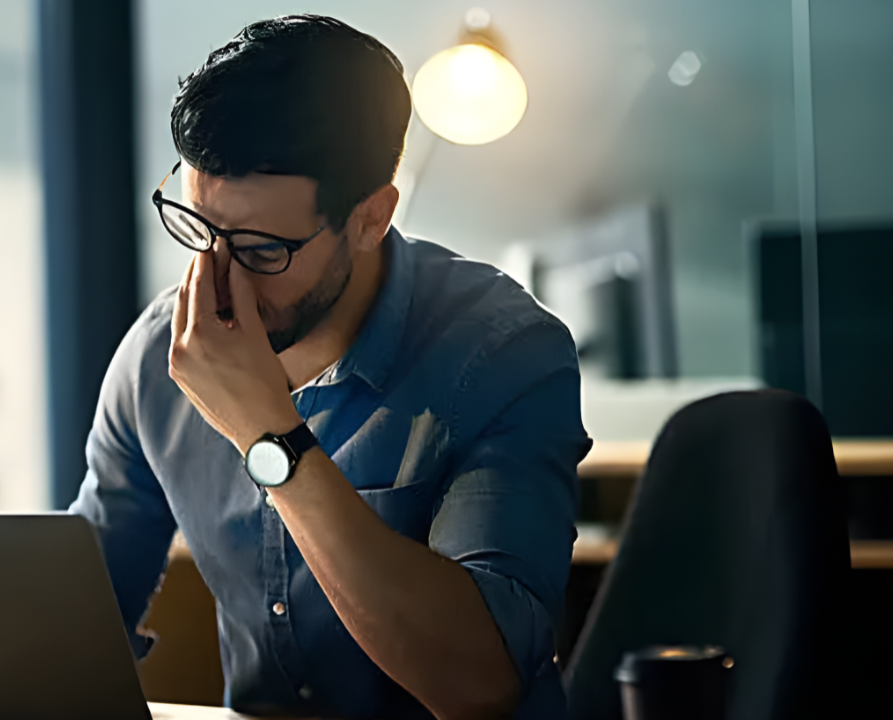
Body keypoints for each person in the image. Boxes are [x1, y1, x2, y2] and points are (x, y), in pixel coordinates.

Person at [69, 14, 590, 720]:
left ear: (371, 218)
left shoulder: (503, 354)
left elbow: (481, 684)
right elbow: (78, 614)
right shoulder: (159, 355)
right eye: (198, 229)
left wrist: (268, 436)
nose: (218, 282)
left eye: (260, 250)